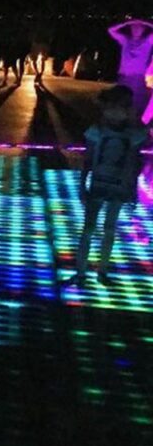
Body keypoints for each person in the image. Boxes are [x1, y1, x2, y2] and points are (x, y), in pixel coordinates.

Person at [63, 85, 150, 288]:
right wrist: (82, 185)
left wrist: (132, 189)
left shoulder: (126, 133)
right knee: (91, 228)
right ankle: (85, 272)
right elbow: (89, 159)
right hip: (103, 184)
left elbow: (133, 162)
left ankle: (97, 272)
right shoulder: (101, 131)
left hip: (114, 185)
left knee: (105, 229)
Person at [108, 19, 153, 118]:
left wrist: (145, 23)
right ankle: (121, 121)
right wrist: (126, 23)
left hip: (138, 77)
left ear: (143, 29)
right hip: (124, 76)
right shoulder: (125, 40)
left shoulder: (147, 42)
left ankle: (135, 122)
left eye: (139, 28)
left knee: (136, 104)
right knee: (121, 102)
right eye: (134, 27)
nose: (136, 30)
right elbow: (111, 30)